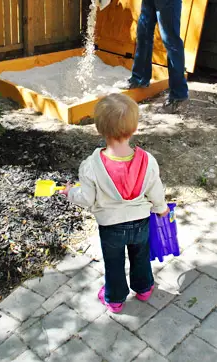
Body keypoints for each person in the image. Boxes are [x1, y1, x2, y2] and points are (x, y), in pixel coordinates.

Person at [60, 93, 169, 313]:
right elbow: (155, 190)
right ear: (135, 127)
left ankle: (116, 299)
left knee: (114, 263)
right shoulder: (148, 161)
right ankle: (144, 288)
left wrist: (71, 192)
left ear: (99, 128)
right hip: (141, 223)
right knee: (140, 257)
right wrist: (161, 209)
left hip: (111, 228)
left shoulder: (91, 166)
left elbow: (87, 198)